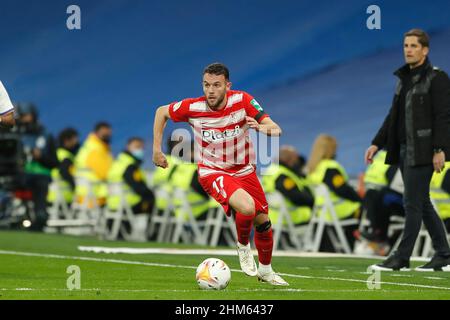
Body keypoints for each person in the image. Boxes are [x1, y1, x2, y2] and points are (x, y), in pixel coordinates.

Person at [152, 63, 288, 285]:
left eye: (216, 85)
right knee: (247, 207)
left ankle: (266, 271)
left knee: (263, 222)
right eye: (206, 85)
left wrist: (263, 128)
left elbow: (275, 128)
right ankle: (243, 245)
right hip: (212, 171)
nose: (210, 90)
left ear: (227, 85)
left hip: (244, 170)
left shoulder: (242, 100)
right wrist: (156, 150)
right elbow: (161, 112)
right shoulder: (192, 107)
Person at [365, 29, 450, 271]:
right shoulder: (403, 79)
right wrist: (376, 142)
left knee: (412, 202)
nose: (409, 50)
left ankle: (402, 257)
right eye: (406, 45)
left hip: (423, 150)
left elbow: (444, 117)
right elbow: (394, 116)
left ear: (425, 50)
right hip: (404, 150)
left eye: (414, 45)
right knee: (421, 203)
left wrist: (440, 149)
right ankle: (444, 254)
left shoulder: (437, 78)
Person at [306, 134, 362, 251]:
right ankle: (372, 246)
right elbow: (343, 190)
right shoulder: (330, 167)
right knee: (367, 208)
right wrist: (361, 199)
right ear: (331, 149)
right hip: (340, 211)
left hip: (322, 212)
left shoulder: (313, 168)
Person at [13, 103, 58, 231]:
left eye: (24, 115)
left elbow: (55, 162)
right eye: (20, 116)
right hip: (17, 174)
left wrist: (40, 157)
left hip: (40, 176)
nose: (22, 119)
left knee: (40, 183)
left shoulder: (46, 135)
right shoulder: (13, 134)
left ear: (33, 115)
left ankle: (40, 215)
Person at [357, 150, 404, 256]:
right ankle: (378, 235)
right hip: (382, 199)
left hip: (407, 204)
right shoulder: (394, 155)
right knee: (378, 195)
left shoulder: (380, 155)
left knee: (380, 196)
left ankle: (379, 235)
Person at [262, 145, 314, 227]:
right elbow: (298, 198)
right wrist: (312, 201)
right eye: (296, 159)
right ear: (290, 161)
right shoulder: (283, 177)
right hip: (292, 218)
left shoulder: (272, 170)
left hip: (274, 216)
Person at [107, 137, 155, 214]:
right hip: (127, 204)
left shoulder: (118, 162)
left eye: (142, 148)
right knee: (152, 203)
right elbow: (137, 186)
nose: (140, 150)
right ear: (128, 147)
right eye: (137, 147)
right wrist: (150, 195)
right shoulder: (130, 166)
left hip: (112, 204)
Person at [74, 122, 113, 208]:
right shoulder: (95, 148)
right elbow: (104, 172)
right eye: (105, 134)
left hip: (89, 192)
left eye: (109, 134)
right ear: (97, 133)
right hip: (93, 193)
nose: (108, 136)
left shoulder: (95, 146)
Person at [47, 128, 80, 206]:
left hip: (51, 196)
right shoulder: (66, 156)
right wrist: (74, 186)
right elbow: (64, 172)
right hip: (62, 197)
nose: (76, 142)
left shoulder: (57, 153)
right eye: (74, 140)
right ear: (66, 140)